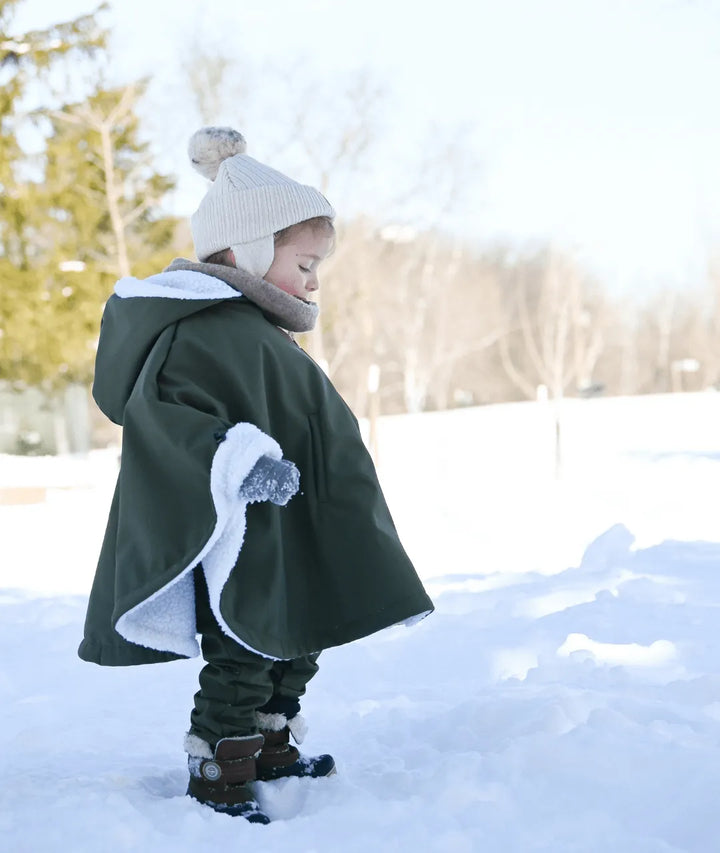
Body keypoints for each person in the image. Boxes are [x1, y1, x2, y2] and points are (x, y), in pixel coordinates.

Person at [78, 126, 434, 824]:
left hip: (297, 523)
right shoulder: (199, 327)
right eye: (303, 261)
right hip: (244, 530)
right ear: (248, 250)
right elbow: (165, 415)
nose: (313, 279)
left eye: (317, 264)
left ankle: (272, 738)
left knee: (301, 634)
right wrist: (236, 459)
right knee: (245, 644)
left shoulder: (258, 330)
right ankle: (220, 758)